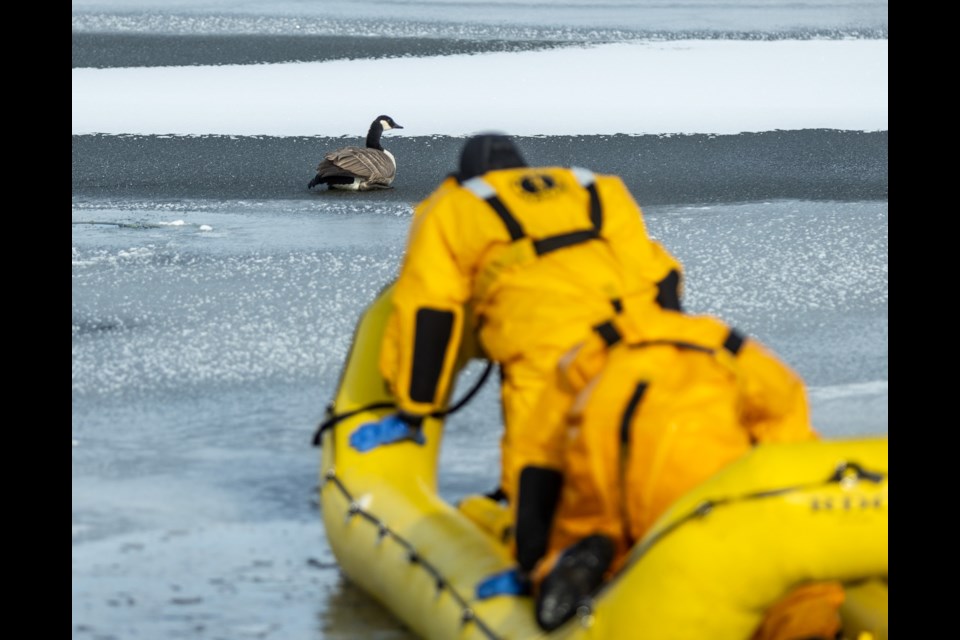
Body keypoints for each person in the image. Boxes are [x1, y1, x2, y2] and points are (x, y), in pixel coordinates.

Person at [349, 133, 685, 517]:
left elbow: (430, 311)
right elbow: (663, 278)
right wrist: (673, 356)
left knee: (537, 467)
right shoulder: (596, 191)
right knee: (643, 444)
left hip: (542, 346)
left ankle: (530, 552)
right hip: (631, 338)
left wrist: (414, 409)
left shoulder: (453, 206)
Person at [510, 304, 844, 639]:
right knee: (787, 575)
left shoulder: (588, 356)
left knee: (598, 540)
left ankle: (570, 572)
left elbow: (539, 457)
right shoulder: (741, 356)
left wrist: (531, 557)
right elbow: (792, 453)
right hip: (707, 502)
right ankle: (805, 630)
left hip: (611, 497)